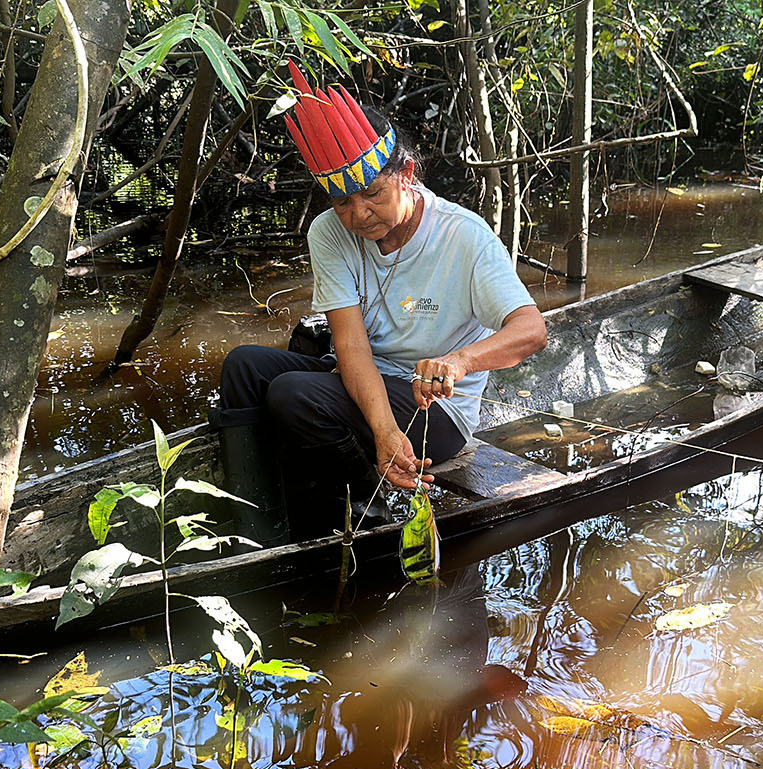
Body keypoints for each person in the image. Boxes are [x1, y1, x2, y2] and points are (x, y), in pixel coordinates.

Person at [216, 61, 546, 541]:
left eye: (371, 194)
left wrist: (458, 361)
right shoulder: (328, 233)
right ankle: (255, 526)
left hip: (435, 410)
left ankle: (360, 524)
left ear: (406, 173)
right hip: (365, 382)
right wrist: (383, 428)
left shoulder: (462, 235)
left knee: (294, 395)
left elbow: (531, 330)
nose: (358, 214)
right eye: (341, 202)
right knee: (244, 366)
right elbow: (349, 346)